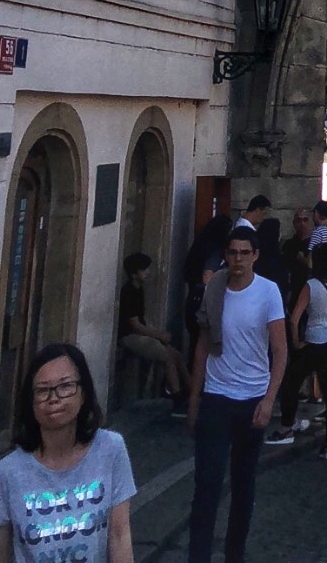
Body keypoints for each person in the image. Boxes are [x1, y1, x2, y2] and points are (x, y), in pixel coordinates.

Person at [187, 227, 287, 563]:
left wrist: (269, 400)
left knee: (243, 487)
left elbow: (280, 350)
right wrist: (194, 399)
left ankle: (235, 555)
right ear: (225, 255)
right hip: (217, 396)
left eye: (245, 253)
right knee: (207, 485)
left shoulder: (268, 292)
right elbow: (202, 345)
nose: (238, 259)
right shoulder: (214, 289)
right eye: (233, 252)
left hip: (252, 399)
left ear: (255, 256)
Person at [0, 341, 135, 563]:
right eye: (42, 390)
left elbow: (119, 535)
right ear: (30, 402)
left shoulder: (110, 449)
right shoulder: (9, 471)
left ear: (83, 393)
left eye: (65, 386)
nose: (54, 398)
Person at [267, 242, 327, 457]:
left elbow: (294, 318)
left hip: (316, 342)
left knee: (292, 380)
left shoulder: (312, 285)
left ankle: (287, 425)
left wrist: (296, 342)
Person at [117, 253, 190, 412]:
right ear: (134, 273)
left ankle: (190, 391)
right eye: (144, 269)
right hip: (128, 335)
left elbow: (142, 319)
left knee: (176, 355)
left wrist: (158, 333)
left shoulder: (139, 290)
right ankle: (177, 396)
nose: (147, 272)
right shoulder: (128, 292)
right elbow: (135, 325)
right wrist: (158, 335)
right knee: (167, 356)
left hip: (140, 333)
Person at [183, 214, 232, 356]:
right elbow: (207, 277)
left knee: (195, 345)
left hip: (193, 299)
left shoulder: (199, 246)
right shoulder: (214, 251)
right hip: (203, 302)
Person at [280, 208, 313, 308]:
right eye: (299, 220)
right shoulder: (289, 245)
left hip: (311, 289)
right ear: (294, 223)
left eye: (305, 220)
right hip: (294, 288)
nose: (302, 224)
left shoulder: (316, 244)